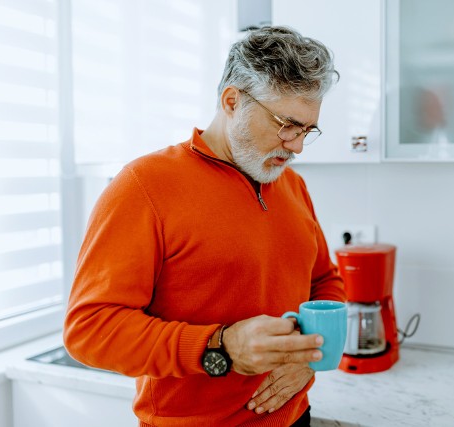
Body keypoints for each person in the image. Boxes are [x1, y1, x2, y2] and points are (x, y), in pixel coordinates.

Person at [63, 25, 346, 427]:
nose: (296, 145)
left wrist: (310, 359)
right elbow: (89, 330)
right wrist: (221, 345)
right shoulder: (144, 186)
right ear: (232, 101)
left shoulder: (292, 185)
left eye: (306, 130)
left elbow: (326, 283)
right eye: (286, 124)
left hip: (295, 417)